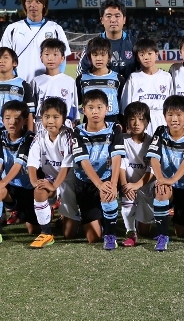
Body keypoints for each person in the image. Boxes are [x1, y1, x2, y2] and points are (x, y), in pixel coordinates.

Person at [71, 89, 126, 250]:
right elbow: (84, 162)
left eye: (99, 107)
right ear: (83, 110)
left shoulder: (115, 129)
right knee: (93, 238)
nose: (95, 111)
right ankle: (101, 217)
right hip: (85, 182)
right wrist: (99, 185)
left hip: (106, 178)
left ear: (107, 109)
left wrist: (112, 184)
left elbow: (117, 158)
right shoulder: (77, 131)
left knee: (107, 192)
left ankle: (110, 234)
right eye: (91, 107)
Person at [147, 95, 184, 252]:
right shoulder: (160, 131)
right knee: (161, 191)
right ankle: (162, 235)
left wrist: (172, 179)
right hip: (166, 184)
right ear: (164, 116)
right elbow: (154, 158)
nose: (174, 119)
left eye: (179, 115)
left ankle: (176, 214)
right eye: (170, 115)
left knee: (182, 232)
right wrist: (161, 179)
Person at [27, 97, 80, 248]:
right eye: (47, 117)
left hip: (69, 182)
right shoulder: (39, 136)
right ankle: (46, 233)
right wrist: (35, 183)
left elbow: (66, 167)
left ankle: (75, 216)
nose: (50, 121)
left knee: (69, 234)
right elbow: (32, 164)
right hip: (51, 180)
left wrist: (54, 185)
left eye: (55, 117)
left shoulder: (68, 135)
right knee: (39, 191)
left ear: (64, 118)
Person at [0, 101, 36, 249]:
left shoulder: (30, 138)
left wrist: (2, 182)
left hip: (28, 190)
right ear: (2, 120)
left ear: (25, 121)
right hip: (11, 189)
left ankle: (29, 215)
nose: (12, 122)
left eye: (17, 119)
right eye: (7, 118)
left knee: (33, 230)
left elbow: (18, 164)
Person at [0, 0, 71, 83]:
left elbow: (62, 60)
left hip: (47, 86)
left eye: (38, 1)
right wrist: (14, 81)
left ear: (44, 4)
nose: (33, 5)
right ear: (24, 4)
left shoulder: (55, 29)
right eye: (29, 1)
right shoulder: (12, 29)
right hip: (19, 85)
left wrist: (54, 81)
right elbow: (4, 57)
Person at [121, 38, 174, 136]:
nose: (146, 57)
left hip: (161, 120)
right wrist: (128, 124)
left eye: (149, 54)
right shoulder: (134, 77)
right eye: (142, 55)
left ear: (156, 54)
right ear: (137, 58)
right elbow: (126, 104)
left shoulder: (166, 77)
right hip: (140, 120)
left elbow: (171, 104)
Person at [119, 102, 154, 247]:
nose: (136, 123)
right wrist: (125, 185)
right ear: (127, 121)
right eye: (132, 119)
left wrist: (137, 185)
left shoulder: (152, 141)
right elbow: (120, 165)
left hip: (145, 186)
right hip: (128, 185)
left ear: (147, 121)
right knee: (127, 198)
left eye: (141, 119)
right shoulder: (121, 139)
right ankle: (130, 232)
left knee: (145, 230)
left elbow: (152, 170)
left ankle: (147, 221)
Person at [0, 47, 35, 139]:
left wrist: (29, 133)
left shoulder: (23, 85)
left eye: (6, 57)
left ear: (14, 63)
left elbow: (29, 112)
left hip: (16, 127)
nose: (1, 61)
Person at [77, 0, 137, 81]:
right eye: (108, 16)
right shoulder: (92, 45)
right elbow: (81, 73)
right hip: (100, 89)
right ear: (102, 20)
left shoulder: (134, 44)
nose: (113, 20)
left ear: (124, 19)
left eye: (117, 16)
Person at [31, 39, 79, 132]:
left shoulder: (69, 81)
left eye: (55, 55)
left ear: (62, 58)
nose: (50, 58)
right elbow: (32, 109)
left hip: (64, 126)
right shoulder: (36, 81)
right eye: (47, 54)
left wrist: (73, 124)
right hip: (42, 126)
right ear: (41, 58)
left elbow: (74, 107)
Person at [76, 37, 125, 124]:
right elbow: (76, 103)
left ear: (109, 57)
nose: (99, 58)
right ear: (89, 57)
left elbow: (123, 104)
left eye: (102, 55)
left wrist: (122, 123)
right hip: (89, 124)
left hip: (112, 123)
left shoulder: (118, 79)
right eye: (95, 55)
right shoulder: (81, 79)